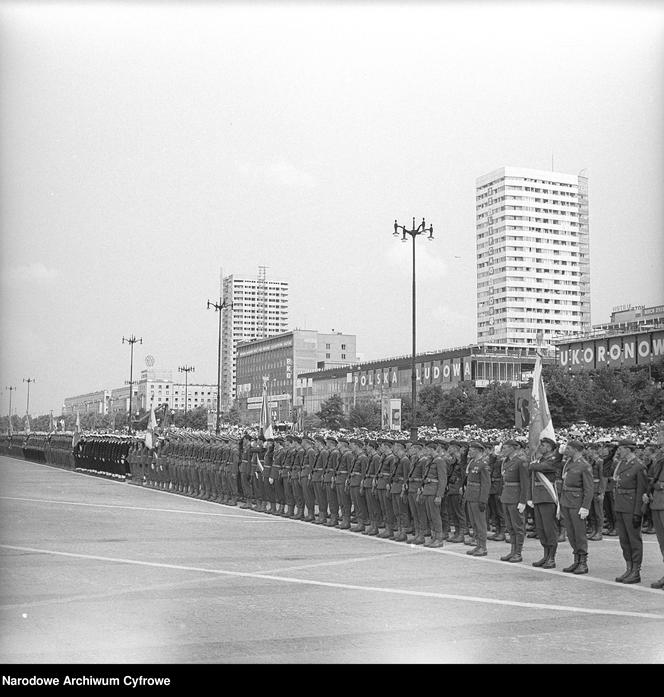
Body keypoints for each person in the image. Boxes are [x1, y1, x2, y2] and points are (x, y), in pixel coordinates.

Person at [612, 439, 648, 584]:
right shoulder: (622, 464)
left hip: (631, 507)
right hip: (620, 506)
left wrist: (638, 512)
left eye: (620, 448)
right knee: (624, 540)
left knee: (634, 540)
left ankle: (636, 571)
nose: (618, 451)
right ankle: (629, 568)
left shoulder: (638, 466)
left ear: (628, 449)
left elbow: (641, 490)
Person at [559, 440, 593, 575]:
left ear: (575, 449)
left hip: (577, 502)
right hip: (567, 501)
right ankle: (576, 559)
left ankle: (583, 562)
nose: (565, 450)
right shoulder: (569, 463)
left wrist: (585, 506)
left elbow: (589, 488)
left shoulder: (584, 465)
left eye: (568, 448)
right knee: (571, 533)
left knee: (579, 533)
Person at [528, 437, 562, 569]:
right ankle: (546, 555)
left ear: (549, 448)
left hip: (548, 497)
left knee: (550, 529)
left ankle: (552, 558)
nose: (540, 447)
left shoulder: (553, 460)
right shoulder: (540, 460)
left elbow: (541, 467)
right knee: (541, 529)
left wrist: (532, 465)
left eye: (543, 445)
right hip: (538, 497)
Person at [498, 439, 529, 563]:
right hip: (506, 496)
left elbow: (525, 483)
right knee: (510, 527)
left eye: (505, 448)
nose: (502, 450)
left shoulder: (521, 462)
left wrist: (523, 501)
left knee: (518, 527)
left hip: (515, 497)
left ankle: (518, 552)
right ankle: (512, 550)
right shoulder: (506, 461)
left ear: (512, 448)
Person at [463, 441, 491, 557]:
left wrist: (483, 500)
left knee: (480, 523)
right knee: (474, 523)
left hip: (478, 497)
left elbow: (486, 484)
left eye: (472, 449)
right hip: (470, 495)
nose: (469, 451)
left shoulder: (483, 465)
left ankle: (483, 547)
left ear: (479, 451)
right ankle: (478, 545)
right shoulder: (472, 462)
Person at [422, 441, 448, 548]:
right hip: (428, 490)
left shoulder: (439, 461)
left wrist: (439, 495)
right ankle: (433, 537)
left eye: (427, 449)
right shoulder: (430, 460)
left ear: (432, 450)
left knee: (435, 516)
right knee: (430, 516)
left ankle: (439, 539)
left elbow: (443, 479)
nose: (426, 451)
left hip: (434, 491)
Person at [645, 445, 664, 589]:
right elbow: (654, 482)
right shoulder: (659, 462)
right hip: (657, 504)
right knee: (662, 543)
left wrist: (659, 485)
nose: (661, 448)